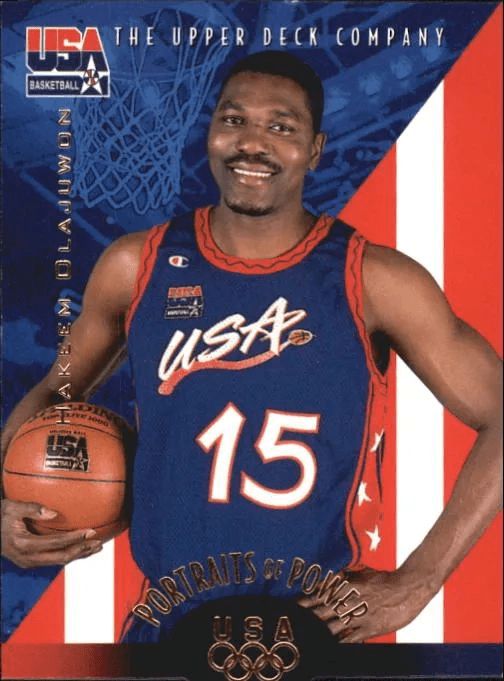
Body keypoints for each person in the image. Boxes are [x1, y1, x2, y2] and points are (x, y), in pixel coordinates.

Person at [1, 51, 502, 645]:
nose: (253, 143)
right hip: (167, 626)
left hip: (321, 629)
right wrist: (8, 503)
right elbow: (55, 391)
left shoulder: (376, 281)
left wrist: (420, 580)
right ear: (210, 132)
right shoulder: (136, 267)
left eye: (281, 127)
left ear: (314, 149)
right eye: (234, 120)